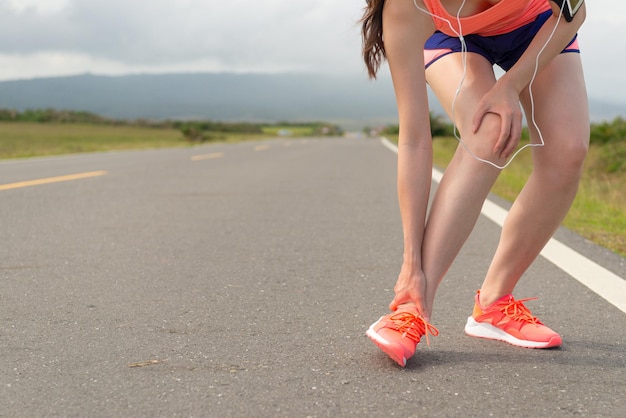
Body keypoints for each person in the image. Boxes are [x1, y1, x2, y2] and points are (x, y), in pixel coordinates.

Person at [362, 0, 589, 367]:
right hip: (453, 36)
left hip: (537, 24)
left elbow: (574, 13)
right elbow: (414, 138)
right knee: (490, 132)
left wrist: (510, 86)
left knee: (567, 153)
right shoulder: (406, 7)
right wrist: (410, 262)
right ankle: (412, 306)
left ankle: (494, 304)